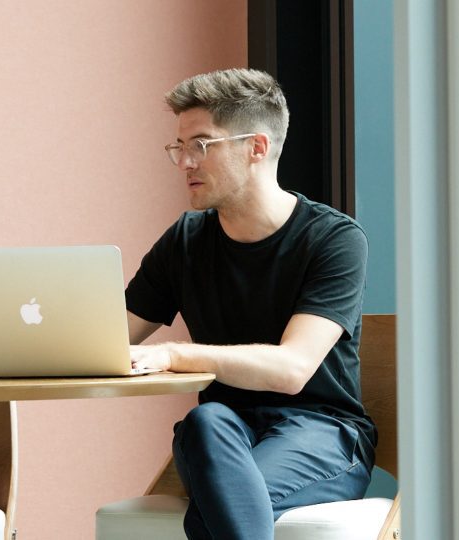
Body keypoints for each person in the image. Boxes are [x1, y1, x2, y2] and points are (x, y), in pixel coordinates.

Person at [126, 68, 377, 540]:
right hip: (223, 436)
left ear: (256, 147)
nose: (185, 162)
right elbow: (109, 338)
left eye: (201, 144)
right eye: (180, 147)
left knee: (221, 501)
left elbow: (291, 369)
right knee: (205, 421)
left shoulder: (334, 239)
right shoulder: (185, 241)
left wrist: (175, 354)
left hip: (321, 431)